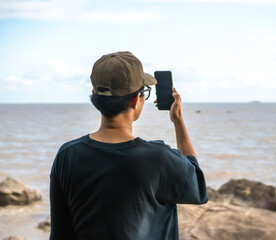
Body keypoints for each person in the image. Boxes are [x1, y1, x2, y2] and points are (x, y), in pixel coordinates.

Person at [49, 51, 208, 240]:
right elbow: (198, 188)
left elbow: (60, 233)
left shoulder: (67, 155)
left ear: (95, 96)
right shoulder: (159, 158)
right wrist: (178, 120)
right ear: (135, 100)